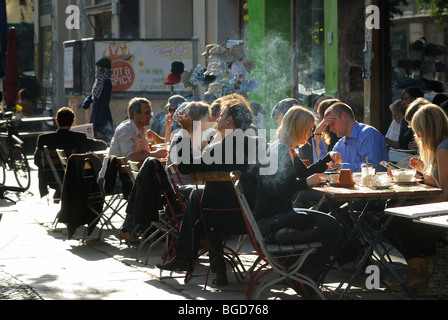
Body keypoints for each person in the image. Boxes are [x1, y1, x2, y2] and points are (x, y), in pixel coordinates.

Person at [157, 96, 265, 286]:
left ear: (230, 119)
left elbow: (185, 167)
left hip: (227, 216)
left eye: (221, 114)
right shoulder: (257, 142)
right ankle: (198, 263)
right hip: (255, 213)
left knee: (200, 201)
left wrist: (186, 130)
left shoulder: (220, 149)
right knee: (200, 197)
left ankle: (188, 258)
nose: (217, 119)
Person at [254, 105, 345, 285]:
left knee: (333, 225)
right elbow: (276, 189)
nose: (311, 133)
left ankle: (304, 273)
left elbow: (304, 174)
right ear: (299, 128)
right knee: (333, 227)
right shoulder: (279, 150)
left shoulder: (287, 147)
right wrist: (306, 183)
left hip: (278, 213)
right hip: (271, 219)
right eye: (309, 129)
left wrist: (327, 159)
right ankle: (305, 275)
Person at [385, 104, 448, 293]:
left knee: (394, 219)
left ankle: (419, 272)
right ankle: (417, 268)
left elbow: (445, 194)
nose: (416, 135)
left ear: (428, 128)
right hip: (441, 211)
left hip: (442, 216)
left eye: (418, 130)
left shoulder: (443, 150)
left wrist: (417, 206)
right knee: (387, 219)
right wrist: (424, 174)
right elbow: (441, 184)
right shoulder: (442, 146)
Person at [108, 97, 168, 243]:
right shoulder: (126, 129)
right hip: (114, 178)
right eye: (147, 113)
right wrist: (154, 154)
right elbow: (130, 157)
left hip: (130, 177)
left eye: (150, 112)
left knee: (152, 183)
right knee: (148, 186)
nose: (151, 116)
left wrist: (155, 155)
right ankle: (130, 229)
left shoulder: (141, 130)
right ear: (136, 114)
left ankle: (148, 227)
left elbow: (145, 154)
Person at [34, 107, 107, 198]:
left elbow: (37, 161)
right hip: (75, 179)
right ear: (72, 122)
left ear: (57, 121)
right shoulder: (78, 137)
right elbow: (102, 145)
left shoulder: (43, 139)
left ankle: (60, 190)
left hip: (51, 178)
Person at [323, 102, 389, 172]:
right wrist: (318, 133)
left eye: (332, 123)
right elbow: (324, 166)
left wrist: (342, 167)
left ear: (344, 116)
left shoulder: (368, 134)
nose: (330, 129)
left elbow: (373, 167)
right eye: (328, 126)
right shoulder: (340, 143)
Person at [82, 57, 115, 144]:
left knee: (102, 135)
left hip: (102, 114)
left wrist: (100, 119)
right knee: (94, 133)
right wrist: (87, 102)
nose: (98, 70)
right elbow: (93, 94)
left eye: (100, 68)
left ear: (105, 69)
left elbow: (105, 101)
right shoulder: (99, 81)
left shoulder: (107, 82)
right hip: (95, 111)